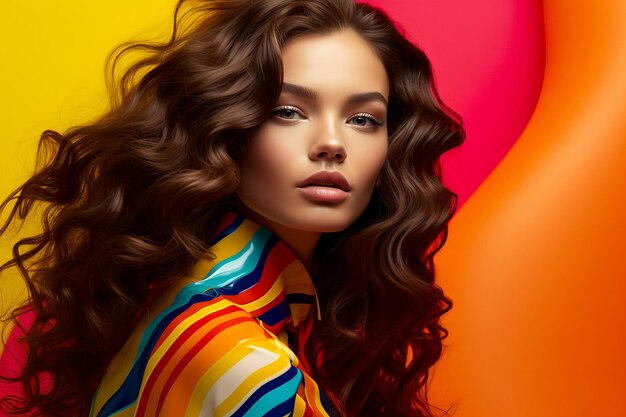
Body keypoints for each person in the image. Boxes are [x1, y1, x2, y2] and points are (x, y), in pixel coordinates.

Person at [0, 0, 465, 416]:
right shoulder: (238, 360)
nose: (331, 143)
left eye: (363, 119)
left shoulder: (254, 310)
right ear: (225, 129)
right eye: (289, 111)